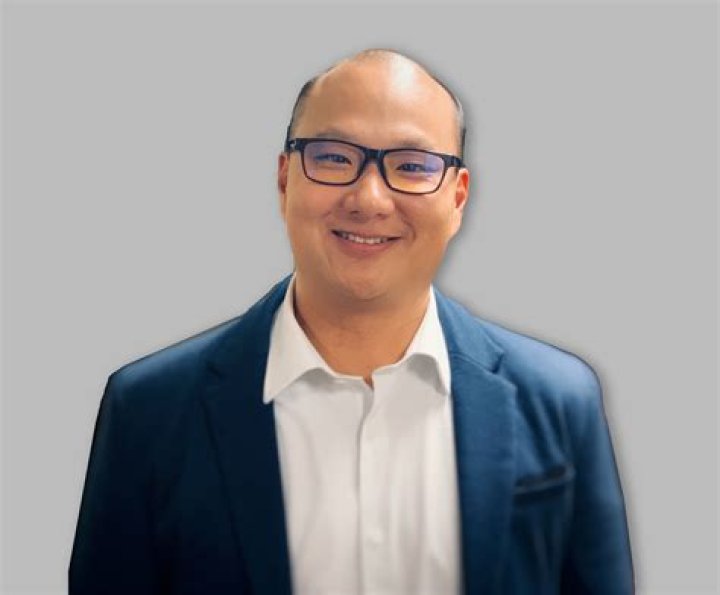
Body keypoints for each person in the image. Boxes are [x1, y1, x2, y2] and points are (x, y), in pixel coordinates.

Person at [69, 48, 634, 594]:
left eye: (411, 166)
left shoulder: (560, 400)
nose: (369, 198)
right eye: (335, 158)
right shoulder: (149, 411)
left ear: (458, 199)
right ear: (285, 179)